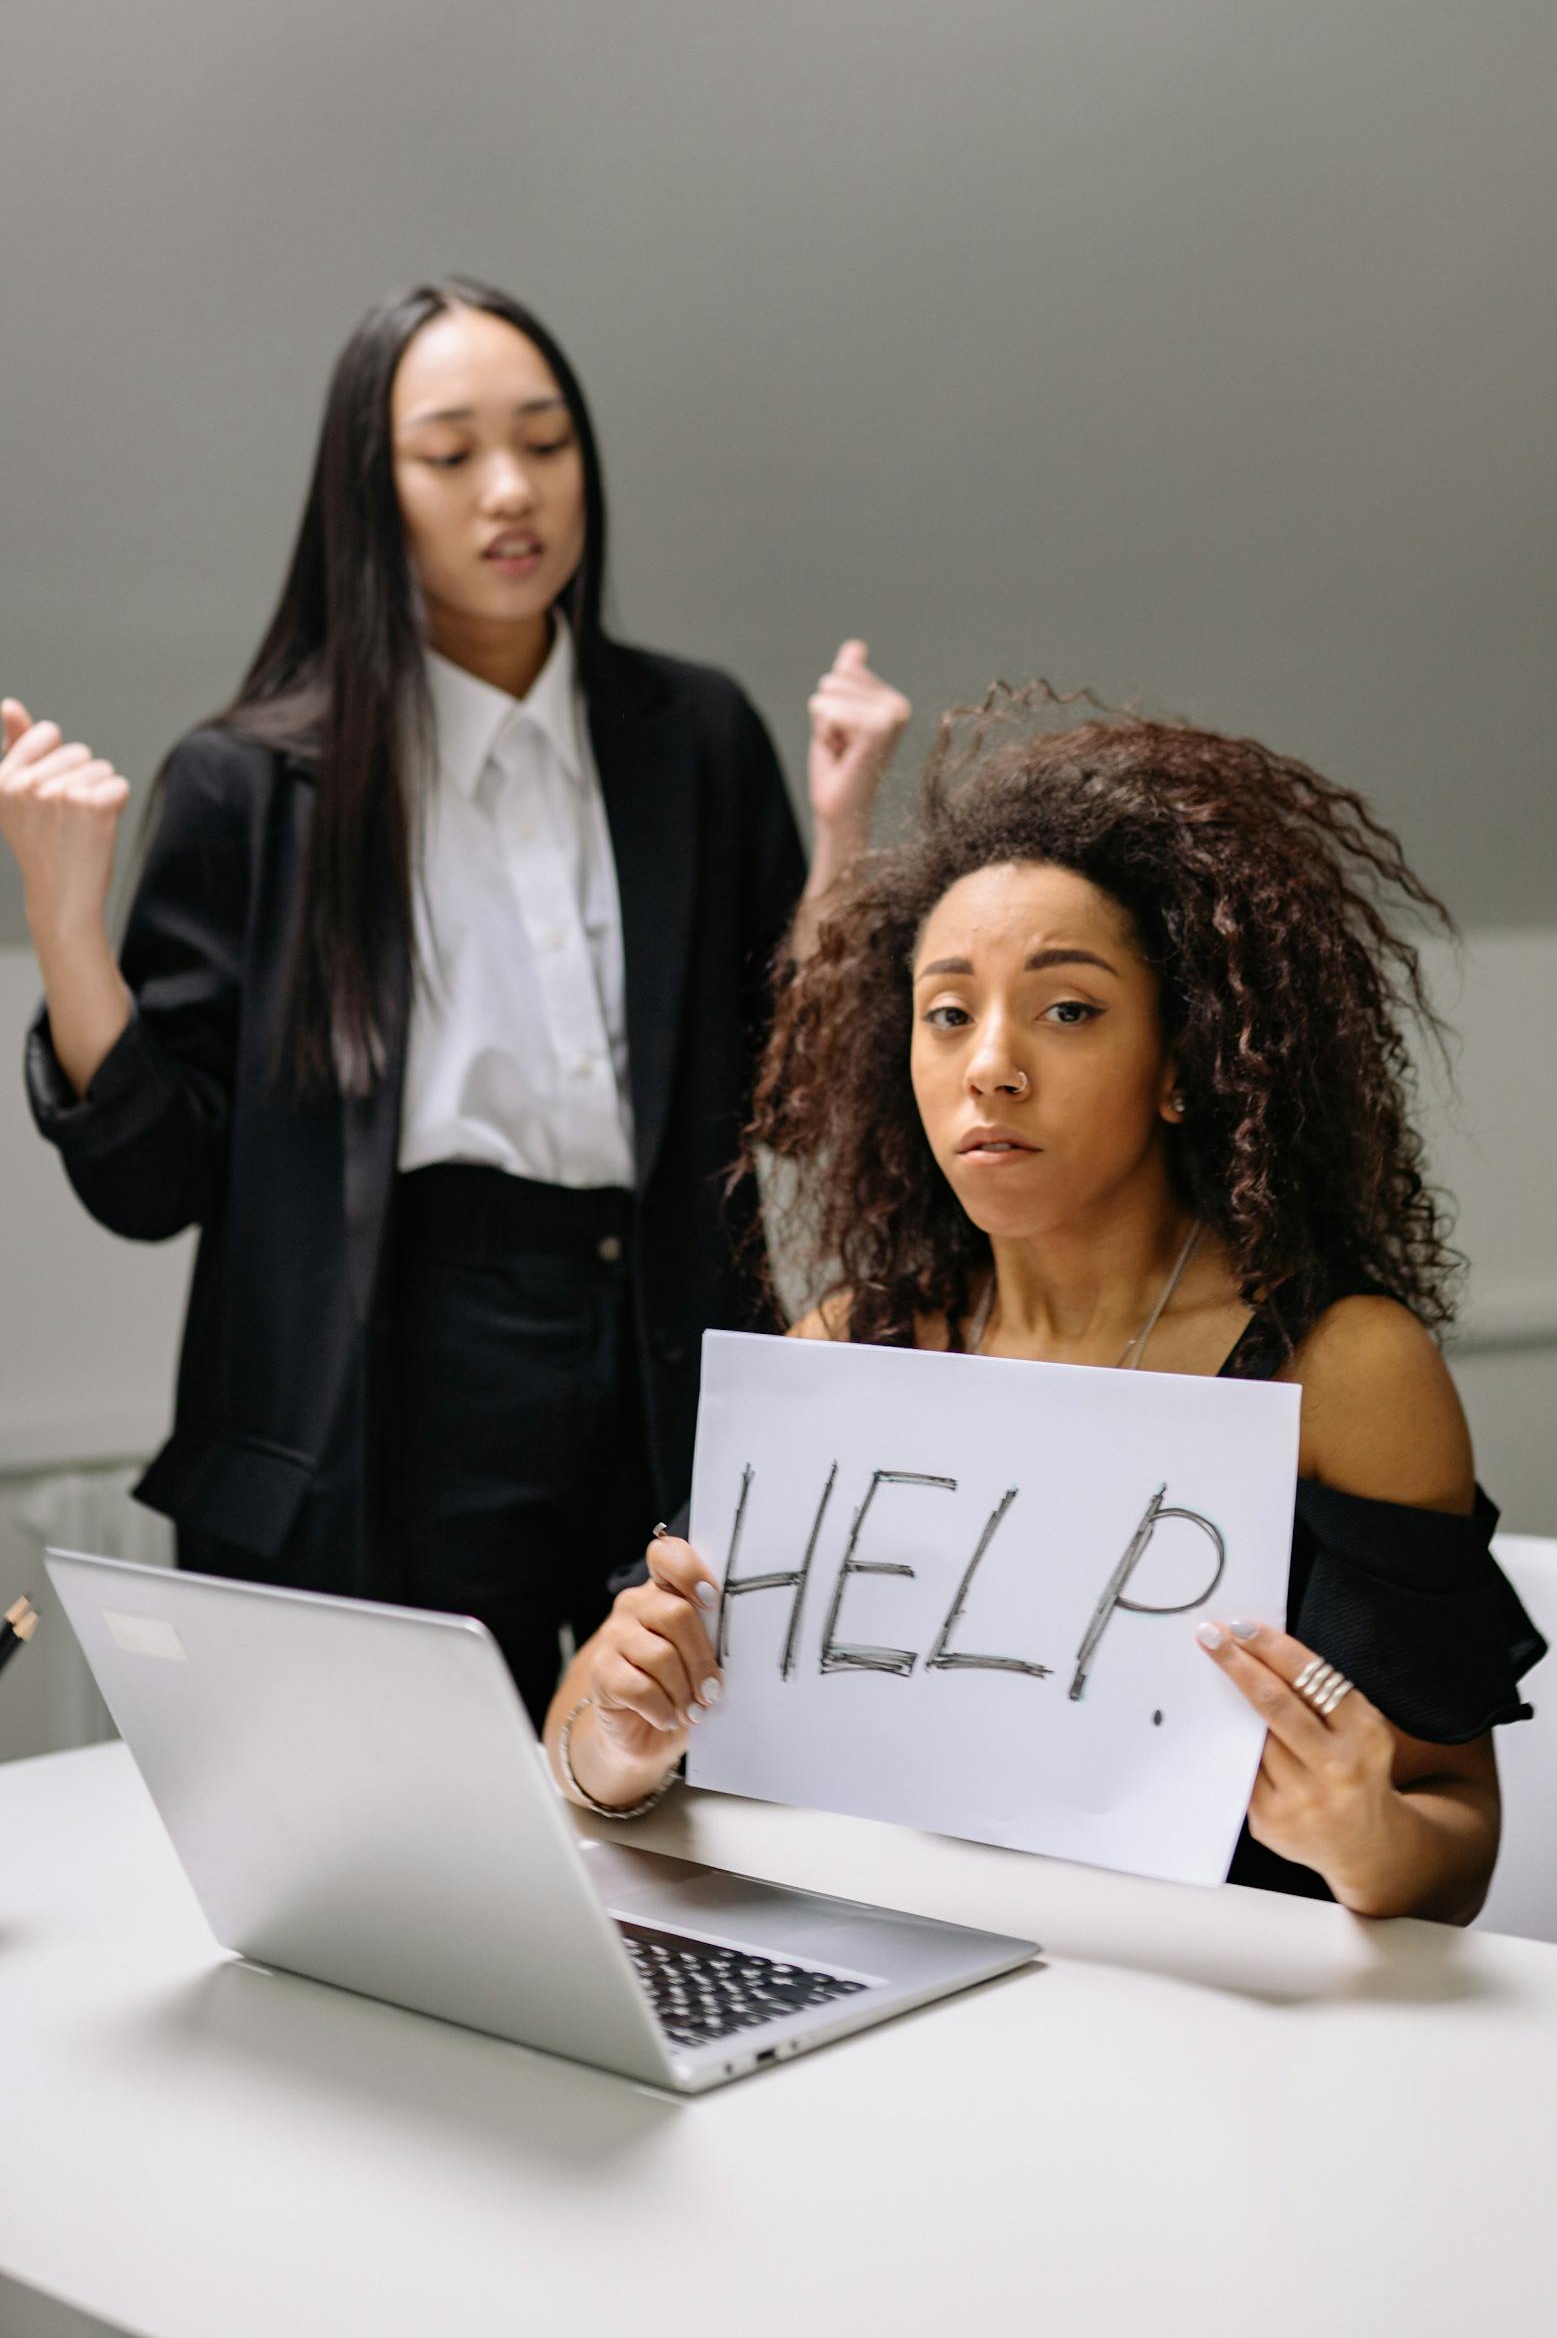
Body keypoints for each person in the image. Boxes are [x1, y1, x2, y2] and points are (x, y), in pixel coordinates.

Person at [1, 278, 909, 1727]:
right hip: (387, 1375)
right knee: (410, 1853)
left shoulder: (693, 738)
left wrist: (842, 831)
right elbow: (155, 1181)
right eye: (450, 452)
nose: (512, 490)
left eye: (546, 444)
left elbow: (788, 1108)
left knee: (694, 1820)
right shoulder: (253, 783)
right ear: (372, 488)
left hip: (654, 1343)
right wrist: (62, 917)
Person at [545, 691, 1545, 1919]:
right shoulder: (852, 1341)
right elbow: (581, 1736)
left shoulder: (1343, 1369)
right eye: (947, 1013)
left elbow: (1456, 1841)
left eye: (1067, 1009)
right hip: (878, 1972)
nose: (991, 1064)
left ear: (1185, 1062)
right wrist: (619, 1749)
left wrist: (1364, 1834)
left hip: (1214, 2021)